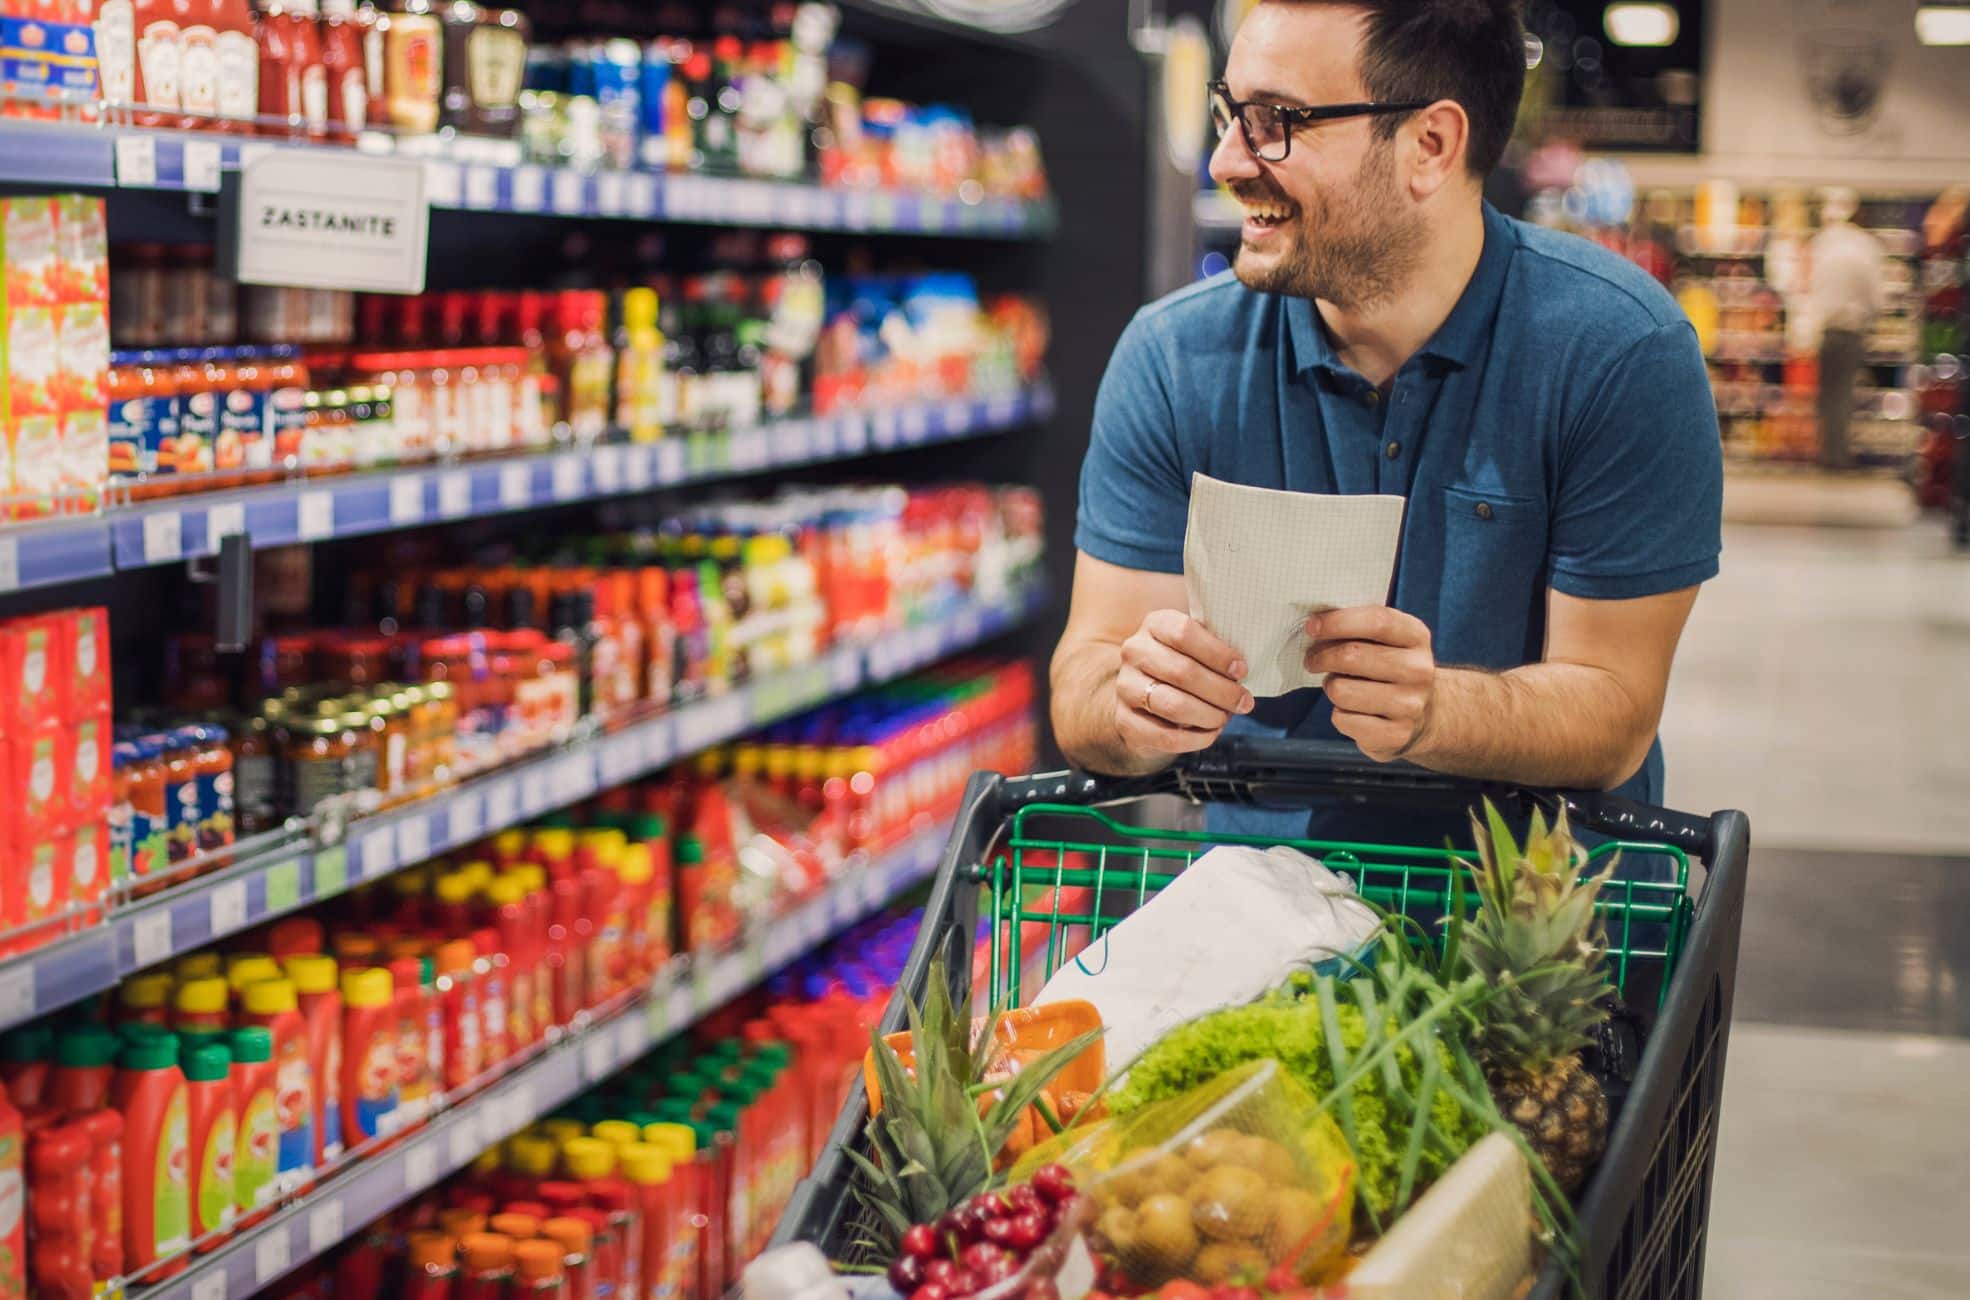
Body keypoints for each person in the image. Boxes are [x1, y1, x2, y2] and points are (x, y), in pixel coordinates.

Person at [1050, 0, 1724, 846]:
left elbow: (1616, 706)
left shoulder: (1618, 352)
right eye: (1231, 114)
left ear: (1429, 147)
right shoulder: (1174, 357)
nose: (1227, 160)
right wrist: (1132, 700)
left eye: (1276, 122)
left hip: (1543, 937)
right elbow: (1085, 679)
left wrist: (1438, 708)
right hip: (1258, 931)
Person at [1805, 187, 1885, 471]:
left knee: (1827, 395)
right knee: (1844, 393)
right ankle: (1838, 456)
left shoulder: (1822, 243)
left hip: (1827, 329)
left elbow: (1811, 289)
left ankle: (1828, 452)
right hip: (1852, 329)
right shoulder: (1865, 246)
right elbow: (1875, 295)